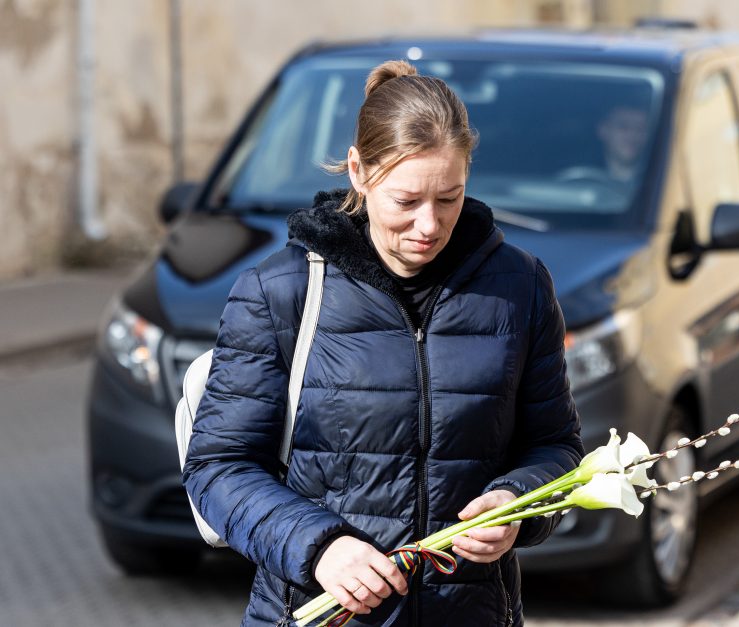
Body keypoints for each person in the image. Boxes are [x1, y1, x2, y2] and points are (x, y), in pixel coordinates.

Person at [183, 59, 583, 626]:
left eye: (450, 198)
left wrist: (519, 502)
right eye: (406, 201)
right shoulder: (281, 291)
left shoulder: (519, 288)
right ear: (358, 172)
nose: (429, 225)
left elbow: (557, 446)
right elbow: (219, 467)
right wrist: (321, 549)